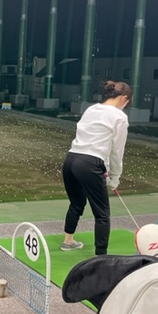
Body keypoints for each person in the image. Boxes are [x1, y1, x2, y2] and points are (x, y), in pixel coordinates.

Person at [61, 80, 132, 255]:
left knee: (77, 202)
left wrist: (104, 169)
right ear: (123, 98)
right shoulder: (119, 117)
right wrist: (115, 177)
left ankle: (67, 241)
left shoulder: (91, 109)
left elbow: (93, 141)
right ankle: (101, 257)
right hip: (89, 163)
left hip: (71, 159)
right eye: (127, 102)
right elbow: (117, 151)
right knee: (102, 214)